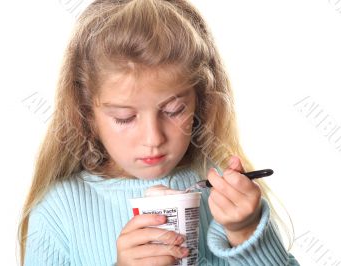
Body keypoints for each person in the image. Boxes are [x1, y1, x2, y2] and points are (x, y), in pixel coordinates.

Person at [18, 0, 300, 265]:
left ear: (199, 103)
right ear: (88, 114)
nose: (153, 139)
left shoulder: (226, 197)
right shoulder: (59, 211)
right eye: (125, 118)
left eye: (174, 110)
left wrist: (248, 233)